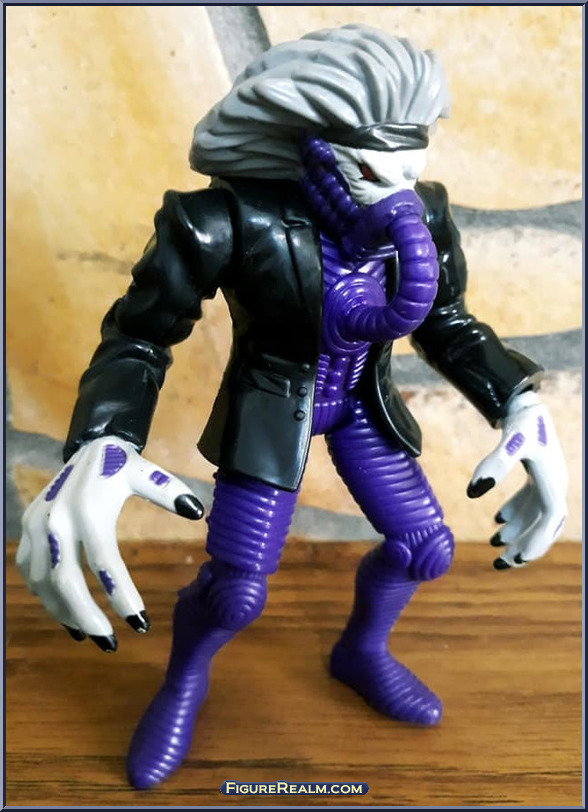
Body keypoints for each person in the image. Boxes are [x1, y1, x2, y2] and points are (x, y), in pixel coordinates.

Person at [17, 25, 568, 790]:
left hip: (363, 405)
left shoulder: (425, 215)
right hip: (274, 410)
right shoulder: (226, 220)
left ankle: (362, 651)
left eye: (412, 166)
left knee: (426, 548)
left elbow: (448, 322)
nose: (400, 192)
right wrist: (102, 439)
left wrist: (518, 399)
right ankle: (183, 681)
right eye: (373, 169)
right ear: (315, 152)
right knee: (237, 590)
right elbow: (140, 334)